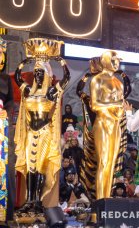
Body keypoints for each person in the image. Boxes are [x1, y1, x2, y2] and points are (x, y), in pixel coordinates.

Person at [14, 38, 70, 214]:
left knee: (40, 166)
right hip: (31, 132)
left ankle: (38, 200)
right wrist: (24, 63)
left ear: (47, 74)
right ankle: (29, 200)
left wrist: (61, 62)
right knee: (30, 167)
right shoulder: (29, 91)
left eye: (41, 72)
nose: (38, 75)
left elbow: (67, 78)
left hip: (45, 132)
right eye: (36, 72)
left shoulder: (52, 92)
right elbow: (17, 78)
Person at [76, 51, 131, 201]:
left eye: (118, 60)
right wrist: (115, 105)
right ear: (105, 60)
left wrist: (120, 110)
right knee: (103, 162)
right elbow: (95, 105)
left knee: (112, 166)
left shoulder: (118, 82)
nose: (116, 63)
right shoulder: (97, 80)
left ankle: (106, 198)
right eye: (113, 60)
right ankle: (100, 201)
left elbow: (122, 102)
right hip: (102, 123)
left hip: (116, 124)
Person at [0, 37, 14, 221]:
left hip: (1, 127)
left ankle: (3, 214)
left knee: (4, 169)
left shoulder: (5, 79)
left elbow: (10, 103)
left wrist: (7, 116)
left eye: (3, 55)